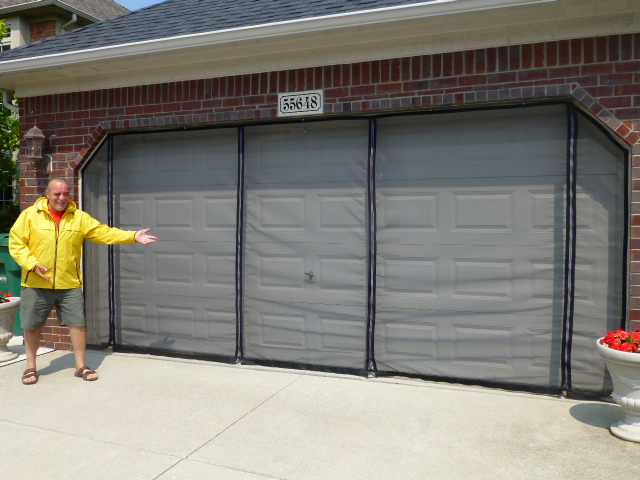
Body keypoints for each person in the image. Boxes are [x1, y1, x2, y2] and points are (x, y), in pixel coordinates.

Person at [9, 178, 157, 385]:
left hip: (69, 283)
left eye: (65, 194)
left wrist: (132, 236)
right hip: (36, 283)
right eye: (57, 194)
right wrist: (32, 264)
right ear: (47, 194)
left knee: (78, 324)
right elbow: (16, 243)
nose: (62, 198)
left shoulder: (78, 217)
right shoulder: (30, 215)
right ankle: (31, 367)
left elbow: (102, 232)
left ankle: (81, 366)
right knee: (32, 326)